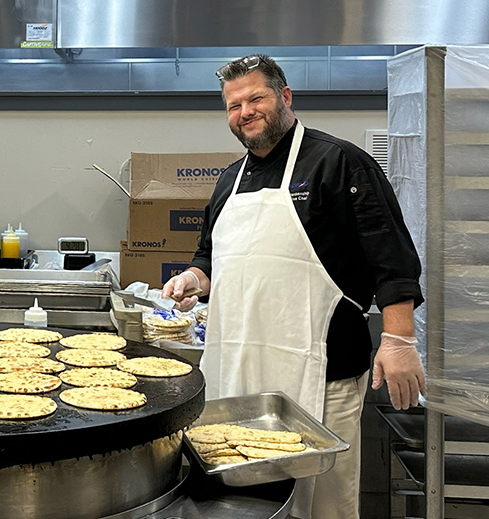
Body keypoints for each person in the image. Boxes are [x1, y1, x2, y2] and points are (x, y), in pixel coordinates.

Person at [161, 55, 425, 519]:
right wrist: (193, 278)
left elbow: (392, 260)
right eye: (233, 105)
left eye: (255, 98)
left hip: (320, 376)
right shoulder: (228, 180)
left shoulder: (340, 163)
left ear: (285, 97)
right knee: (244, 505)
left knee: (322, 503)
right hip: (239, 375)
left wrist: (399, 339)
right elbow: (209, 257)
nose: (244, 112)